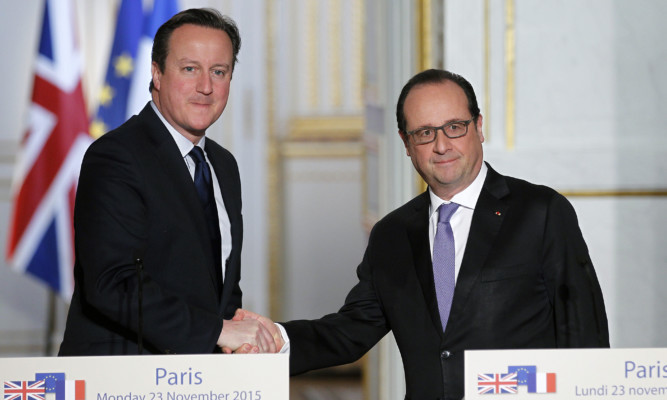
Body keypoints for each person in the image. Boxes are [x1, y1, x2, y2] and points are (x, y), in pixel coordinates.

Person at [235, 69, 610, 399]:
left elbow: (583, 332)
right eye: (425, 133)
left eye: (454, 127)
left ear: (478, 127)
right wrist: (276, 341)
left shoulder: (540, 212)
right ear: (406, 143)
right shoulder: (392, 235)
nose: (442, 145)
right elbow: (350, 330)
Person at [58, 8, 275, 356]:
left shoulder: (223, 165)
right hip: (122, 378)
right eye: (190, 69)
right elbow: (112, 285)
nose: (206, 87)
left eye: (218, 72)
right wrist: (220, 332)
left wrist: (237, 342)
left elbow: (219, 287)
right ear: (157, 74)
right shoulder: (116, 156)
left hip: (202, 380)